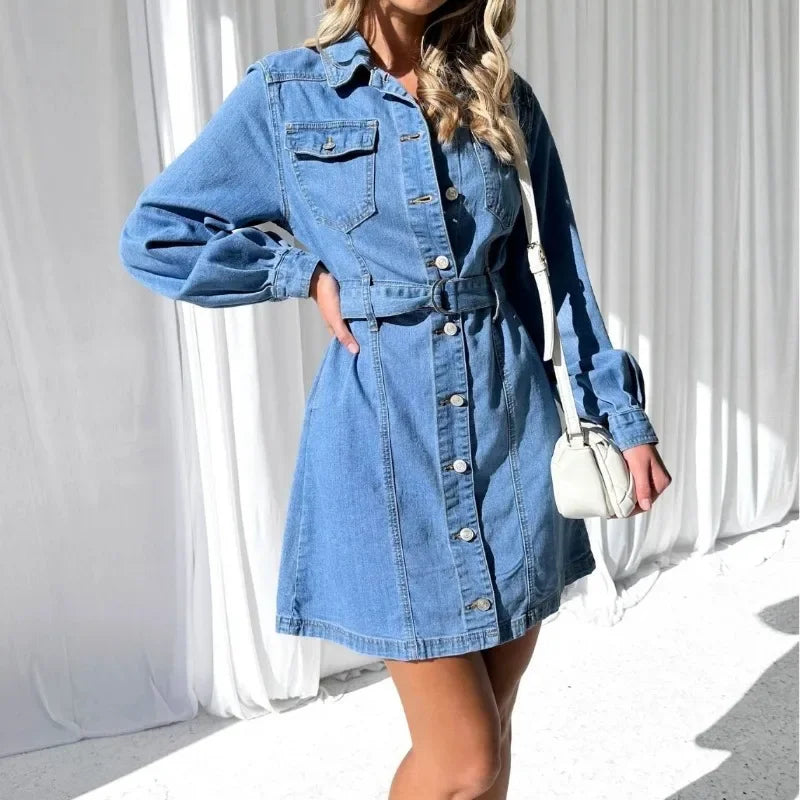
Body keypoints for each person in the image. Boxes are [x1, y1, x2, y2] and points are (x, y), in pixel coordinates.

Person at [119, 0, 672, 797]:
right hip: (388, 449)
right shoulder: (287, 94)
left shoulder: (500, 98)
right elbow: (156, 233)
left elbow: (558, 280)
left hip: (510, 436)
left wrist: (621, 415)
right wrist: (298, 273)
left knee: (495, 728)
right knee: (464, 758)